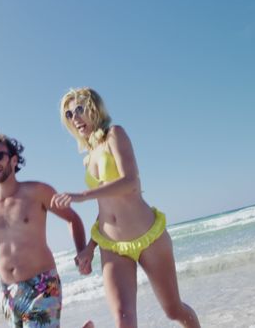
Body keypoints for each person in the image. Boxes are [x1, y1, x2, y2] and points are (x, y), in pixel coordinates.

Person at [52, 88, 200, 328]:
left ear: (94, 108)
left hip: (148, 236)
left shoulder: (114, 135)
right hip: (112, 246)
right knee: (123, 319)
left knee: (174, 311)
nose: (75, 118)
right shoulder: (88, 157)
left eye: (79, 109)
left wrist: (83, 195)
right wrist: (90, 248)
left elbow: (131, 182)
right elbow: (105, 209)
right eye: (69, 115)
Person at [0, 132, 90, 328]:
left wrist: (82, 253)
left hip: (42, 285)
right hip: (8, 292)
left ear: (14, 159)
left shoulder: (37, 192)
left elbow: (73, 219)